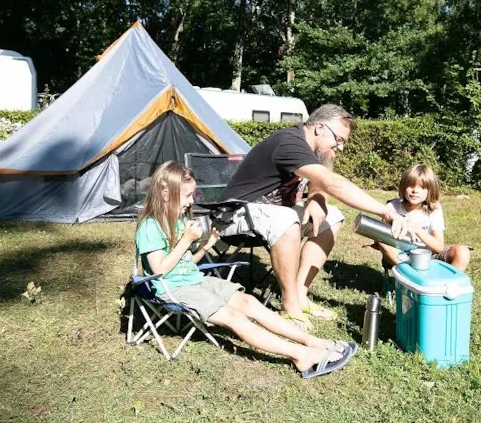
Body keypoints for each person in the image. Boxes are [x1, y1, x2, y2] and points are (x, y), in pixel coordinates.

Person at [135, 161, 356, 378]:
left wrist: (205, 247)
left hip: (195, 280)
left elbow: (186, 263)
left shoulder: (178, 221)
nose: (192, 201)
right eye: (187, 196)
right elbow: (160, 270)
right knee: (234, 316)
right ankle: (301, 355)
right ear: (166, 194)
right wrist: (185, 240)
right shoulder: (149, 227)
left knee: (249, 302)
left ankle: (312, 341)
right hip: (171, 289)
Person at [219, 104, 410, 331]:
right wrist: (385, 211)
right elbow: (332, 182)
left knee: (332, 217)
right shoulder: (289, 142)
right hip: (234, 214)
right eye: (338, 139)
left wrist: (316, 199)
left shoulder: (316, 150)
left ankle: (300, 295)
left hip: (270, 215)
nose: (340, 147)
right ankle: (289, 306)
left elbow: (319, 180)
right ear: (319, 128)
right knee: (286, 219)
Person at [371, 164, 470, 271]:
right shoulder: (392, 207)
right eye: (411, 186)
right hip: (399, 256)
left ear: (430, 190)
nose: (415, 191)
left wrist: (416, 230)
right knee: (383, 242)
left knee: (462, 252)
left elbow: (439, 247)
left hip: (428, 256)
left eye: (422, 187)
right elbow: (378, 240)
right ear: (403, 187)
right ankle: (411, 275)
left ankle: (448, 281)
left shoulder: (434, 209)